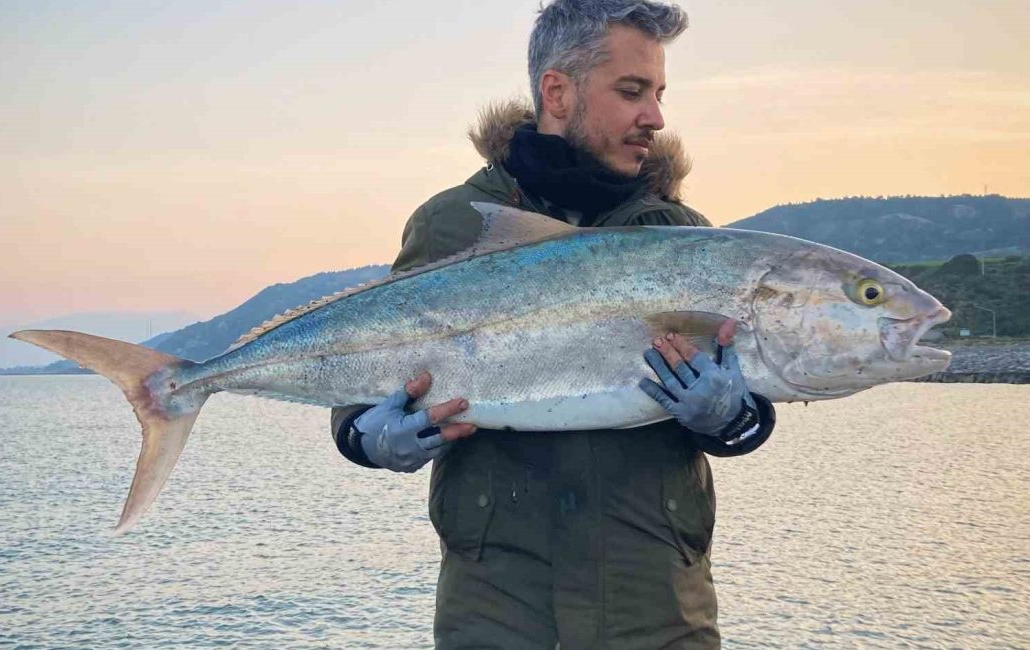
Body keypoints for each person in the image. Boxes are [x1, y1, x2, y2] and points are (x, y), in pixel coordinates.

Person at [330, 1, 776, 647]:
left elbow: (752, 403)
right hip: (496, 603)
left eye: (657, 93)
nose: (654, 116)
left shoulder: (682, 238)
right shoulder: (456, 221)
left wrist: (731, 417)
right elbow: (375, 356)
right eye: (631, 91)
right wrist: (363, 438)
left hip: (655, 603)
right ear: (558, 91)